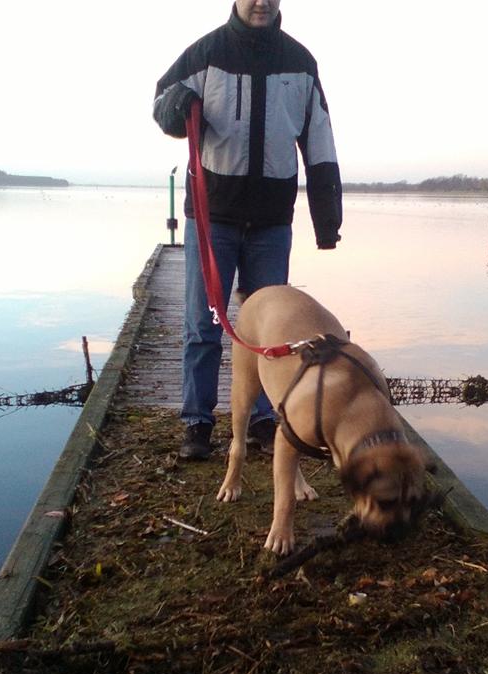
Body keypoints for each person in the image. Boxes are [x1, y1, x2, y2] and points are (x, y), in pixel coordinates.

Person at [153, 0, 342, 461]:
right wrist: (174, 110)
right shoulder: (205, 54)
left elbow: (319, 139)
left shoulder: (300, 63)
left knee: (272, 334)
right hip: (212, 216)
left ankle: (263, 419)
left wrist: (327, 221)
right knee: (203, 324)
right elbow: (163, 105)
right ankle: (197, 423)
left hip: (272, 224)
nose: (262, 2)